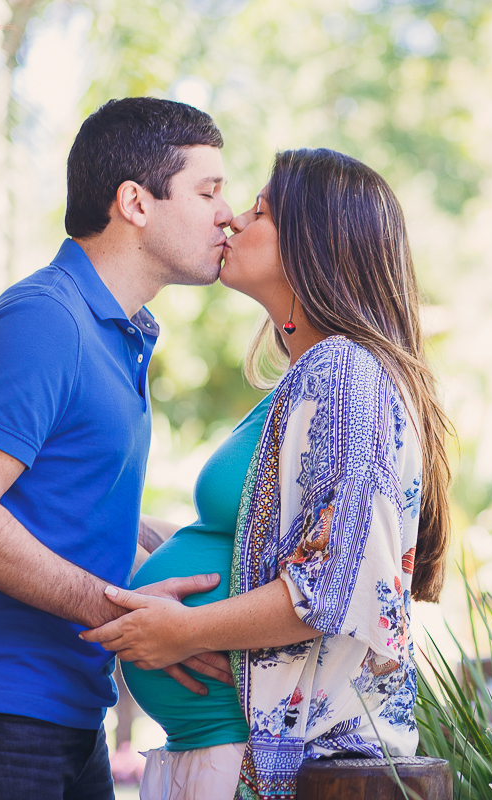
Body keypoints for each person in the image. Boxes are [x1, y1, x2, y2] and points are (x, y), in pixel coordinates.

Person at [0, 97, 240, 800]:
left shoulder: (121, 334)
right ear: (135, 202)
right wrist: (120, 614)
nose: (227, 214)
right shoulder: (46, 320)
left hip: (68, 711)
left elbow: (63, 509)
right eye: (208, 192)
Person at [82, 148, 453, 800]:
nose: (231, 221)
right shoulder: (317, 378)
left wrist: (183, 630)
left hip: (273, 761)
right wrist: (154, 538)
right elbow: (287, 544)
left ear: (314, 243)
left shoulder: (342, 371)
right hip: (231, 751)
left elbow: (334, 582)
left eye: (260, 211)